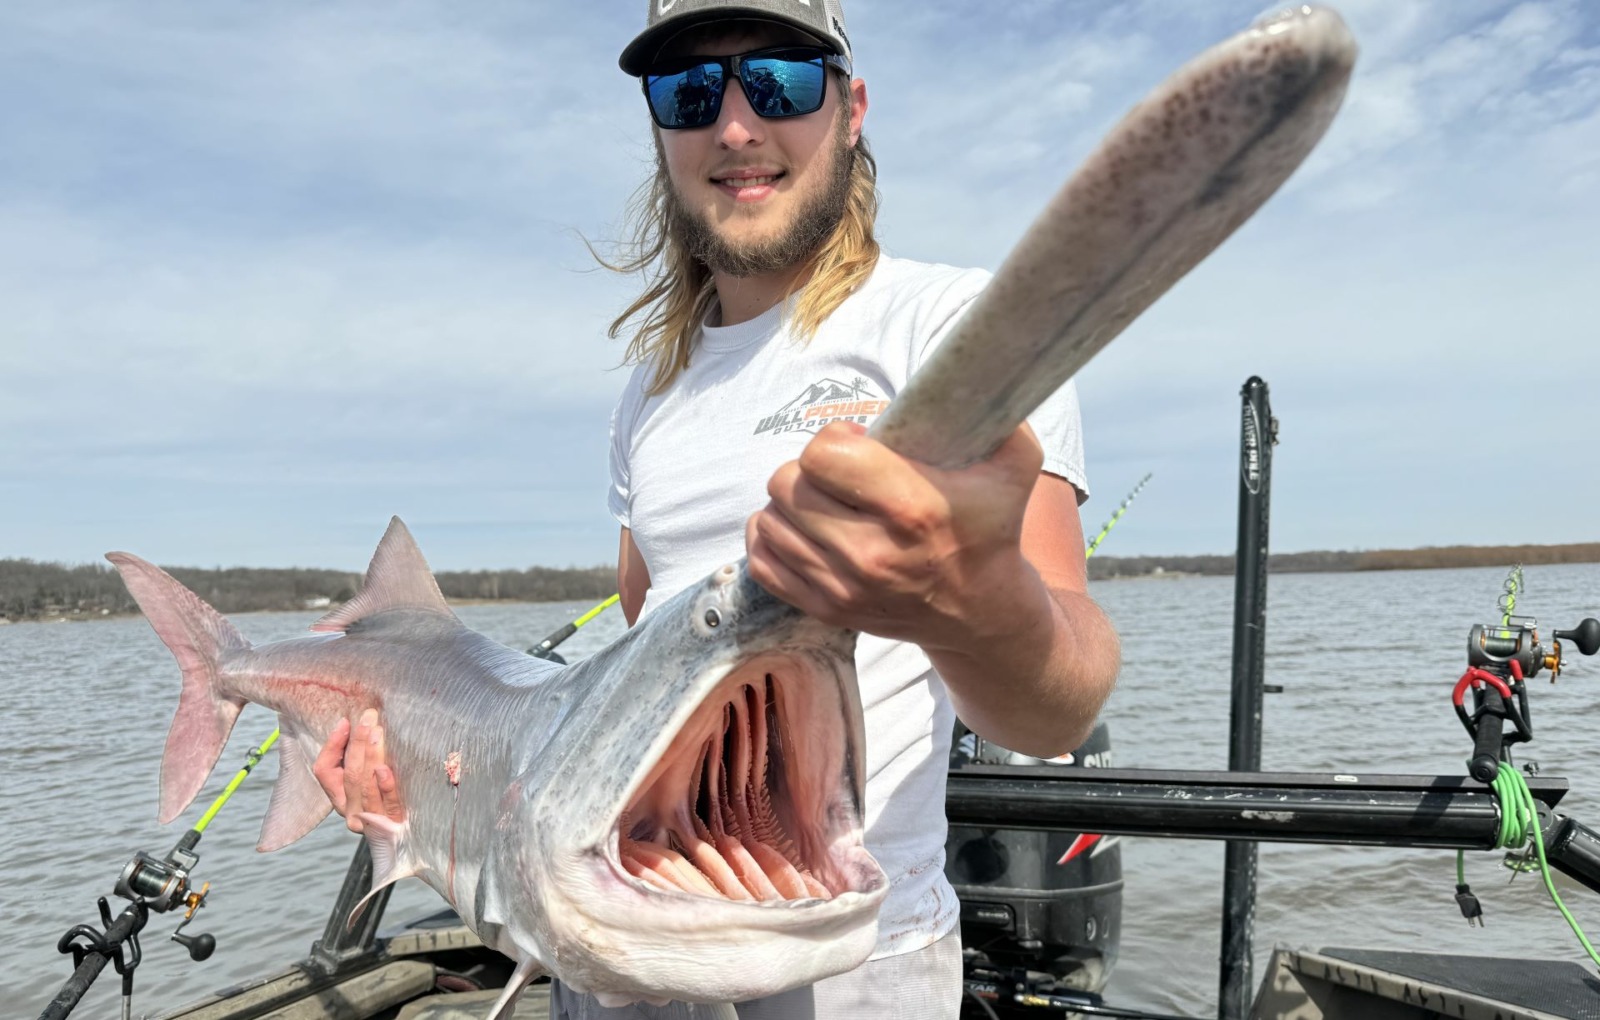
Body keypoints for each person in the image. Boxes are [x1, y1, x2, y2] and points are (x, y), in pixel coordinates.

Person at [313, 2, 1120, 1016]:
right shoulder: (649, 397)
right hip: (618, 943)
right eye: (689, 92)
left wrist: (967, 602)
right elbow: (635, 675)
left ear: (853, 104)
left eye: (777, 80)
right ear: (661, 133)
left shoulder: (953, 329)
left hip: (851, 954)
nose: (734, 126)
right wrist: (423, 808)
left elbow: (1059, 706)